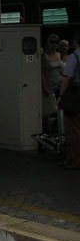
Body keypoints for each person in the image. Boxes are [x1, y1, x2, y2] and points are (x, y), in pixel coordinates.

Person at [57, 32, 80, 170]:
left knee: (72, 129)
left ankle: (74, 160)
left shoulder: (74, 57)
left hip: (75, 95)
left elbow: (67, 78)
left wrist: (61, 95)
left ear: (75, 42)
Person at [41, 34, 63, 127]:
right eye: (52, 42)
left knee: (59, 109)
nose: (54, 44)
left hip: (59, 86)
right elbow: (41, 72)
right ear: (47, 43)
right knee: (49, 110)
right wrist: (44, 87)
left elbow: (61, 70)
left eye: (56, 42)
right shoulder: (44, 56)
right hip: (49, 87)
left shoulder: (59, 54)